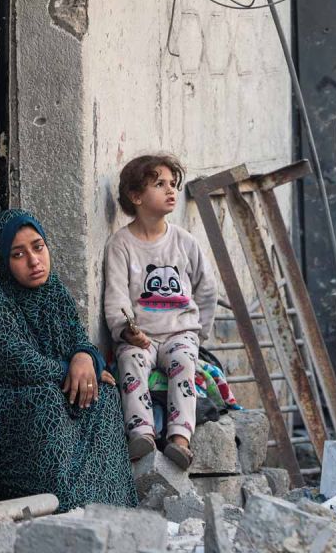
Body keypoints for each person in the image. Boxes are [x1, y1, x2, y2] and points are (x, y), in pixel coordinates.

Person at [0, 209, 137, 511]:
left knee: (105, 392)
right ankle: (61, 506)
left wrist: (85, 358)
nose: (34, 261)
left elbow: (78, 338)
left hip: (50, 383)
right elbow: (19, 362)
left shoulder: (53, 290)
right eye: (18, 254)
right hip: (6, 401)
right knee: (48, 399)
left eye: (38, 247)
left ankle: (108, 503)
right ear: (2, 260)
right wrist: (69, 370)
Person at [103, 154, 218, 470]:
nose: (171, 190)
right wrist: (127, 331)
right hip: (141, 338)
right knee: (130, 362)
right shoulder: (120, 245)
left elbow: (207, 290)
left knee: (183, 363)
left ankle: (180, 439)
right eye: (159, 184)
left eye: (172, 184)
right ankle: (142, 434)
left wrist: (198, 334)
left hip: (180, 333)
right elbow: (116, 296)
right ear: (136, 196)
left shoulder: (184, 242)